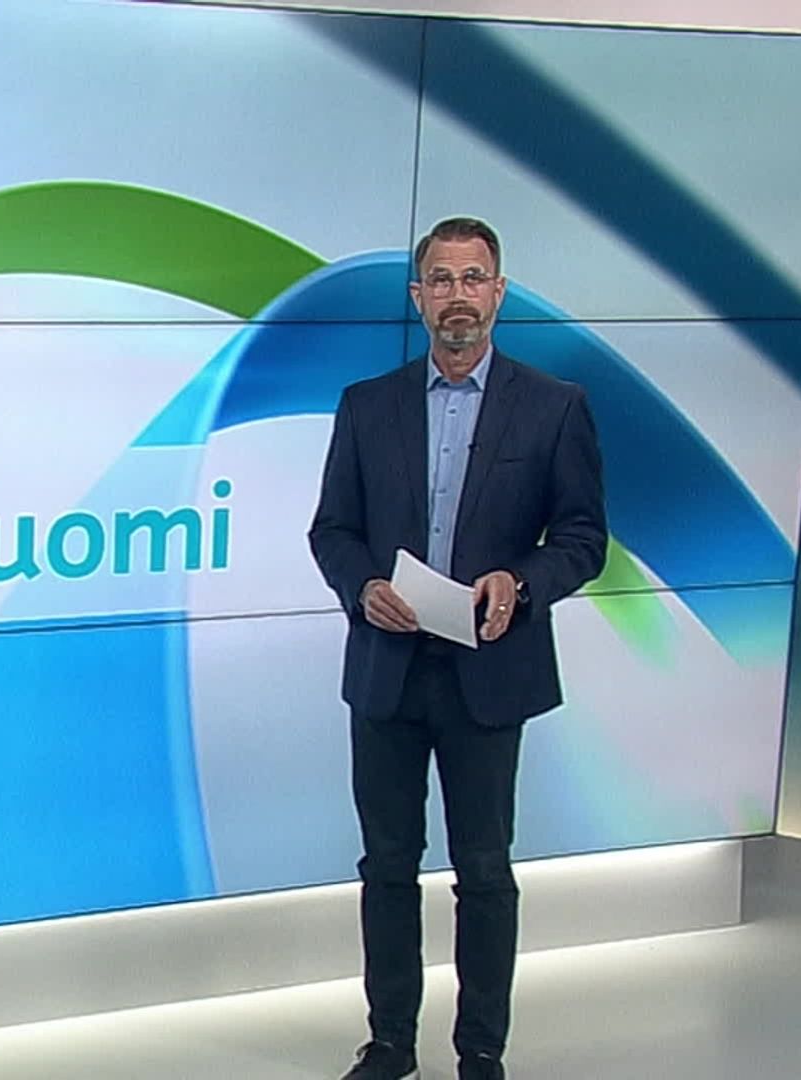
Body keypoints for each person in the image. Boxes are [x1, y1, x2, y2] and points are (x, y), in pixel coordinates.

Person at [308, 217, 608, 1080]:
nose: (458, 297)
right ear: (418, 297)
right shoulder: (367, 406)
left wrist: (523, 581)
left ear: (499, 293)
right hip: (388, 672)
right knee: (387, 866)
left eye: (473, 279)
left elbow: (583, 539)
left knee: (483, 869)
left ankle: (480, 1050)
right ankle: (391, 1043)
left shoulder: (554, 407)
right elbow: (333, 530)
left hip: (490, 671)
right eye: (441, 280)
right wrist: (363, 586)